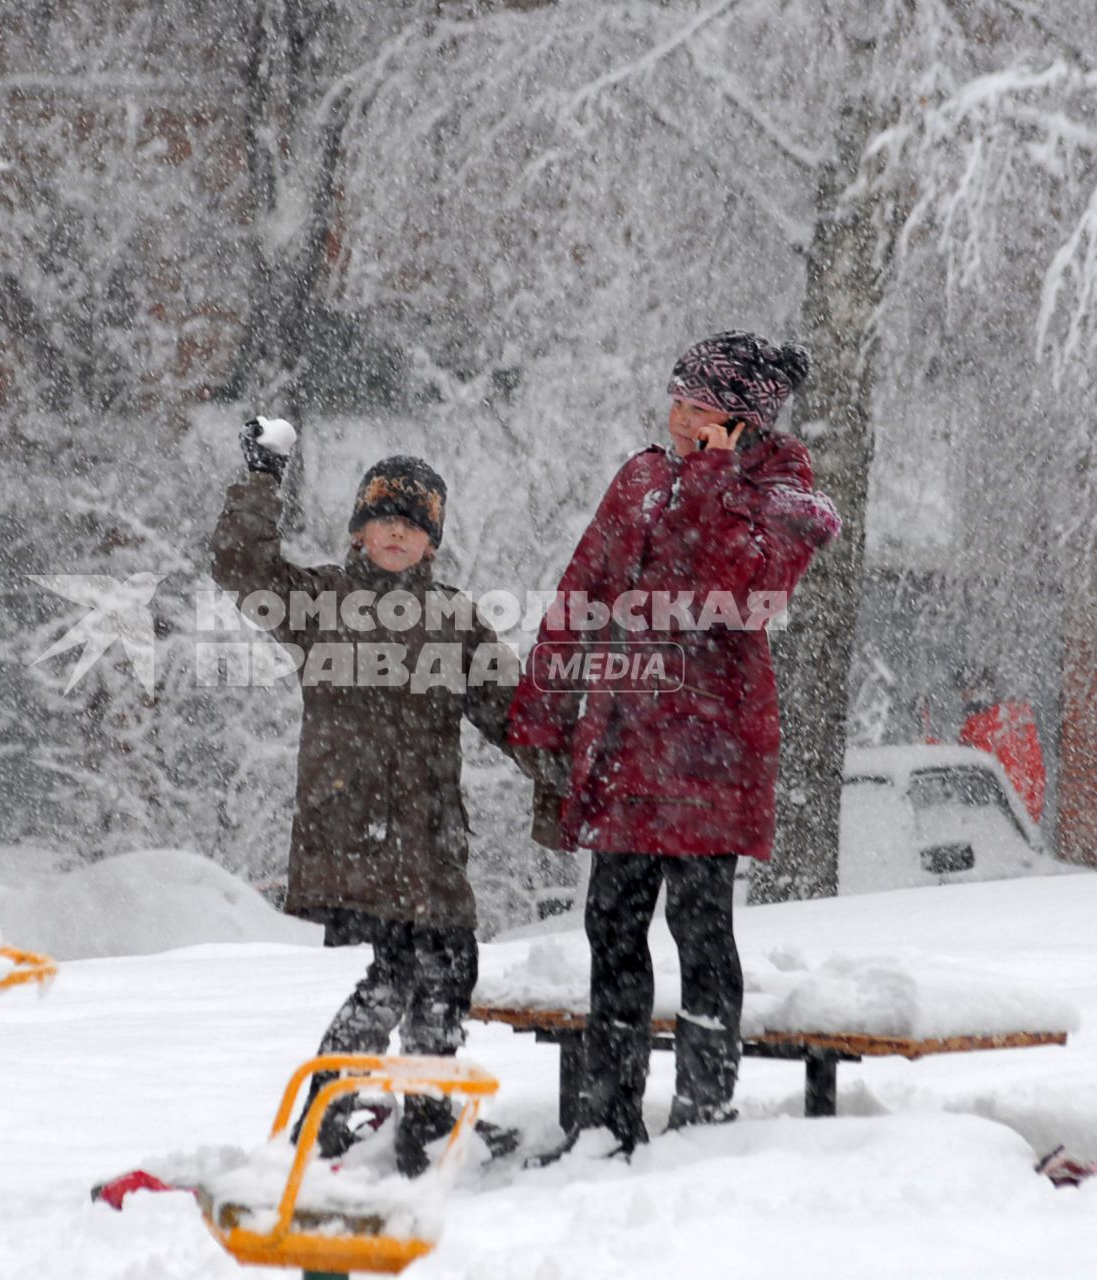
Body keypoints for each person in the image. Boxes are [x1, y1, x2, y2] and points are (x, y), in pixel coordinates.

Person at [508, 331, 842, 1157]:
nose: (677, 415)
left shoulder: (781, 496)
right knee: (610, 926)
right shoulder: (639, 477)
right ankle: (605, 1117)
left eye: (698, 406)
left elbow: (738, 595)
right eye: (678, 398)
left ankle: (702, 1114)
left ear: (739, 421)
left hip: (710, 750)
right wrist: (543, 709)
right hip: (627, 740)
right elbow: (580, 591)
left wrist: (708, 477)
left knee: (700, 928)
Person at [209, 419, 523, 1175]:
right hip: (355, 831)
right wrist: (260, 479)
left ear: (431, 542)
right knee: (402, 971)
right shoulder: (321, 604)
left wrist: (585, 774)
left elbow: (517, 715)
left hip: (431, 834)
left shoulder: (454, 620)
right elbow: (241, 567)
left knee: (447, 966)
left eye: (410, 524)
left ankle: (423, 1115)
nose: (394, 533)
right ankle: (336, 1118)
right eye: (381, 518)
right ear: (357, 531)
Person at [956, 664, 1047, 824]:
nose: (962, 698)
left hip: (999, 817)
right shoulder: (1017, 719)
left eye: (965, 691)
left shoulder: (981, 727)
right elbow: (1036, 770)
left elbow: (967, 766)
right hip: (1021, 814)